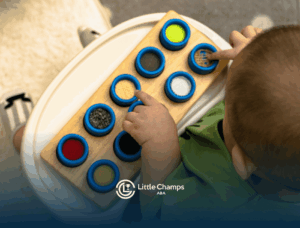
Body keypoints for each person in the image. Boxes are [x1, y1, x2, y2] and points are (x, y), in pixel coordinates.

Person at [122, 24, 300, 221]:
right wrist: (258, 56)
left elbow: (156, 211)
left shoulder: (214, 205)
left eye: (228, 102)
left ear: (241, 163)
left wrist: (162, 148)